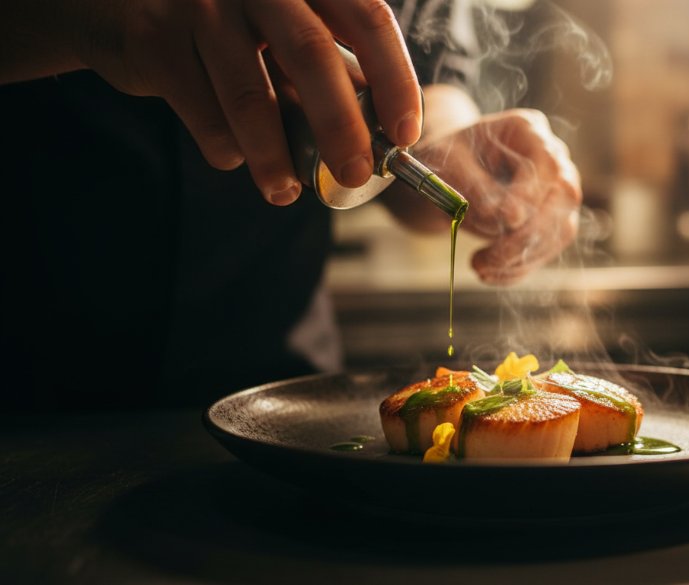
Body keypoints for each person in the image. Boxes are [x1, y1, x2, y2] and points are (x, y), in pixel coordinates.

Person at [0, 0, 582, 409]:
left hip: (274, 409)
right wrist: (93, 18)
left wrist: (454, 141)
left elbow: (430, 78)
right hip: (25, 388)